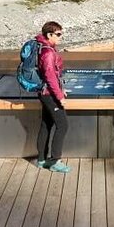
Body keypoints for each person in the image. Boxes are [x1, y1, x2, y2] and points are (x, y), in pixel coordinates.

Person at [35, 21, 71, 173]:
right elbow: (50, 77)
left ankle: (42, 159)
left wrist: (61, 91)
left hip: (44, 93)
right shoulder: (48, 53)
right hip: (49, 95)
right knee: (63, 125)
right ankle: (55, 161)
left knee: (46, 125)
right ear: (49, 35)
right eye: (58, 34)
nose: (60, 37)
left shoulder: (43, 48)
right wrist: (60, 96)